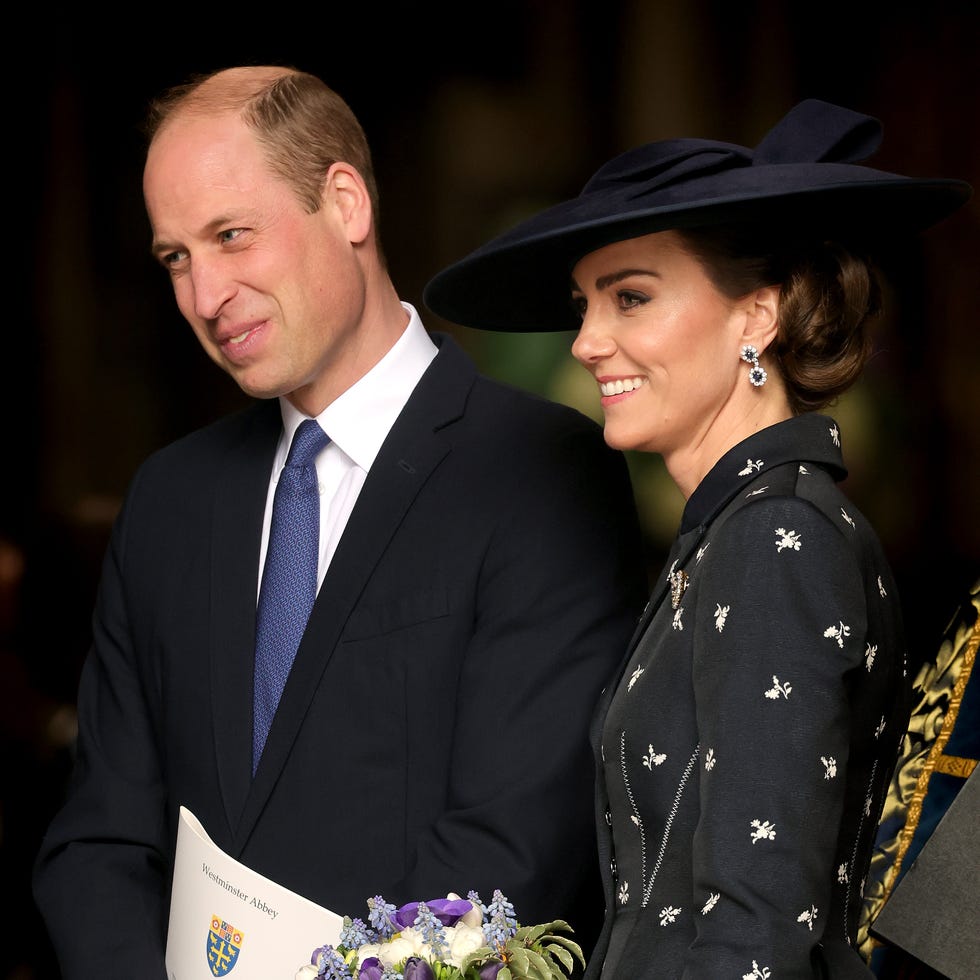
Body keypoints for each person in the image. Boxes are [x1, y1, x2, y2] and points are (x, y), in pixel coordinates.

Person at [31, 65, 650, 978]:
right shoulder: (169, 499)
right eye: (176, 259)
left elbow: (513, 850)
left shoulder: (539, 472)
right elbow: (100, 841)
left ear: (347, 202)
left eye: (231, 236)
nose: (205, 296)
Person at [423, 99, 972, 978]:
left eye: (631, 296)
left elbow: (758, 930)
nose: (589, 341)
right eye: (585, 303)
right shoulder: (736, 532)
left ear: (759, 315)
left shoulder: (776, 538)